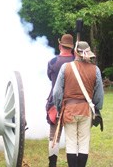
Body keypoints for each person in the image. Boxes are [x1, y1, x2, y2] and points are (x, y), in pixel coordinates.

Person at [53, 41, 104, 167]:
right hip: (86, 110)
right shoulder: (95, 69)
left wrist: (59, 108)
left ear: (75, 52)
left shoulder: (66, 67)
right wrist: (96, 108)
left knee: (71, 143)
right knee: (83, 142)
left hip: (69, 110)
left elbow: (57, 92)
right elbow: (99, 95)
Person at [46, 34, 74, 167]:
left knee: (53, 137)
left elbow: (50, 79)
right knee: (72, 138)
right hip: (72, 104)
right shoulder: (77, 62)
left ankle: (52, 164)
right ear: (72, 47)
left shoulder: (52, 62)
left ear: (60, 45)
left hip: (54, 104)